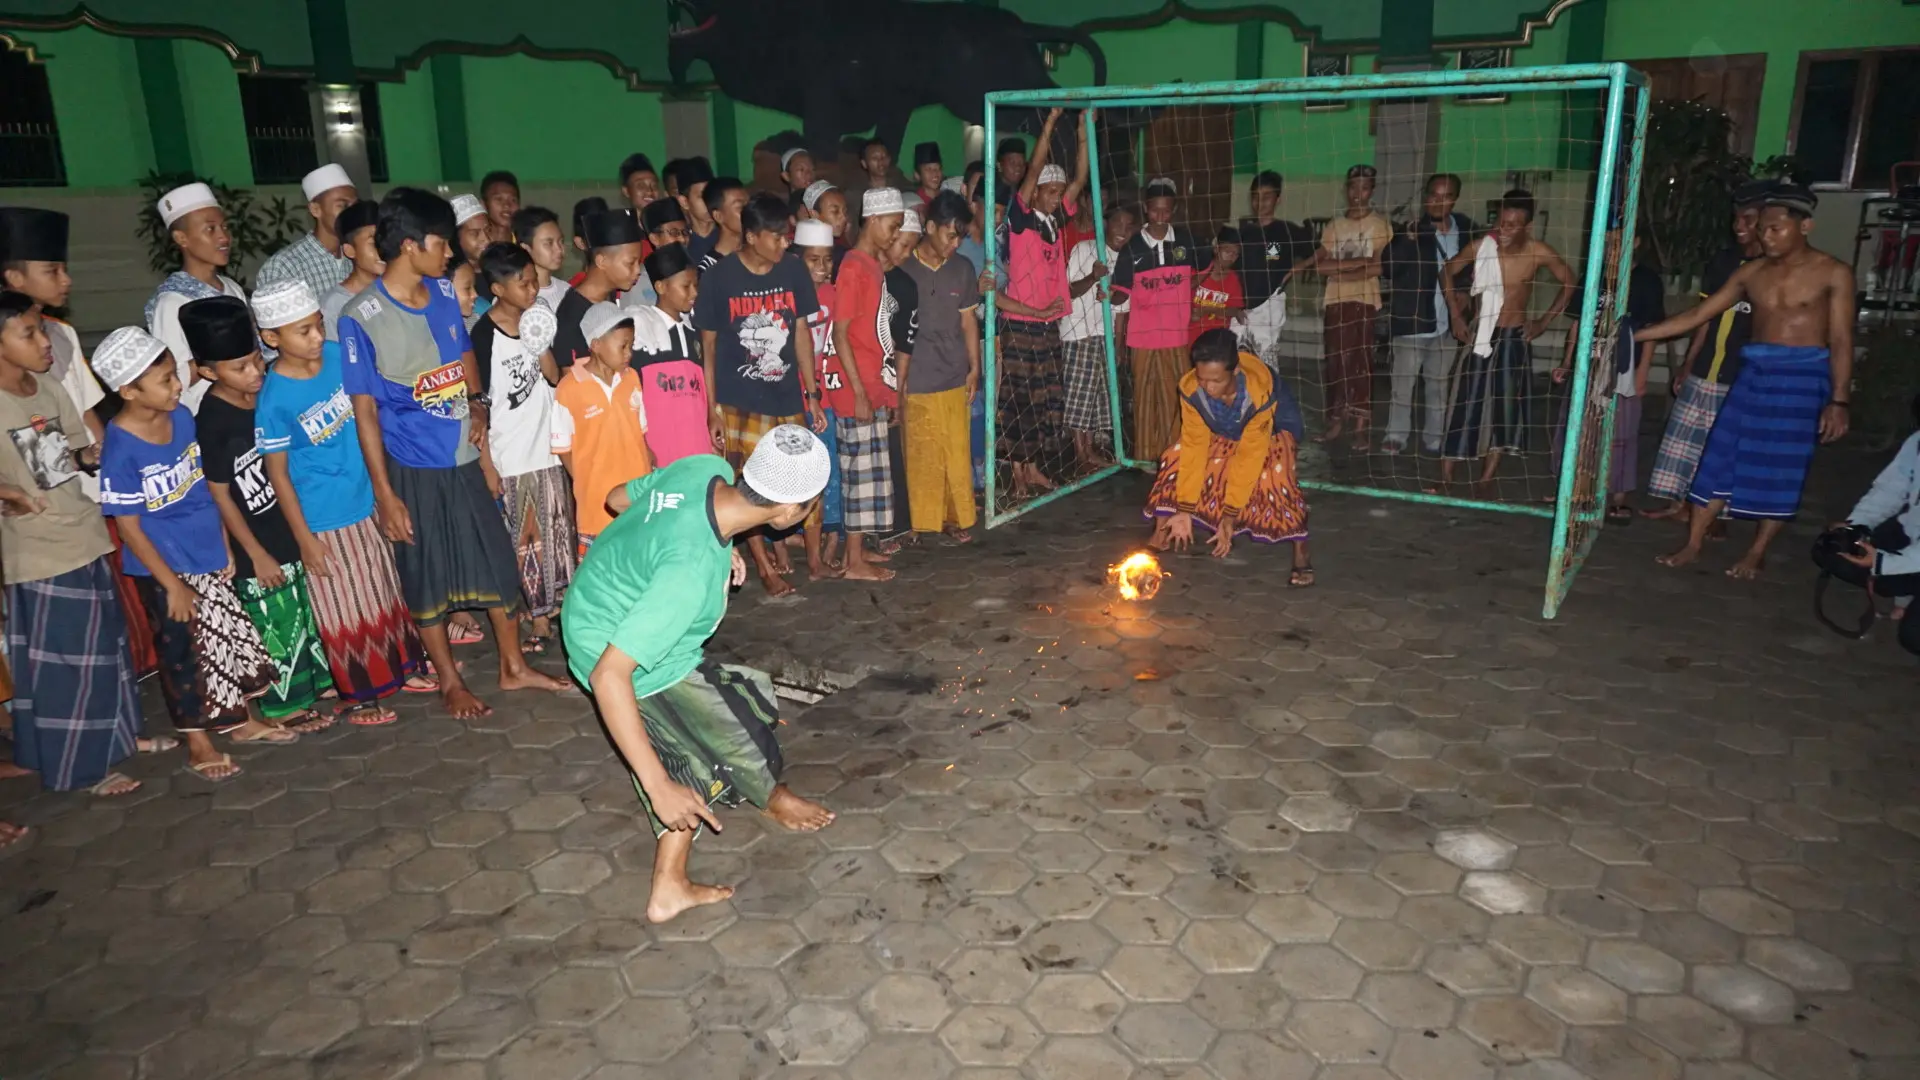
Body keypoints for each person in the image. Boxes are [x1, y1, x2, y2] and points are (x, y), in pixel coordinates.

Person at [561, 427, 836, 923]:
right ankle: (676, 871)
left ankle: (693, 861)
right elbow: (609, 677)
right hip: (611, 645)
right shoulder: (685, 576)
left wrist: (713, 543)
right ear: (789, 513)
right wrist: (655, 784)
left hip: (597, 594)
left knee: (723, 730)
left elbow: (618, 499)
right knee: (690, 761)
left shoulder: (704, 469)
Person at [338, 188, 569, 719]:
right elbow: (365, 411)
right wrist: (385, 493)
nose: (450, 255)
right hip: (412, 465)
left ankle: (513, 667)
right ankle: (448, 681)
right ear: (412, 245)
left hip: (463, 454)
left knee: (497, 556)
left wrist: (477, 402)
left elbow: (464, 354)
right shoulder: (362, 316)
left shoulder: (442, 296)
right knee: (425, 571)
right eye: (442, 243)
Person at [94, 324, 291, 782]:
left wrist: (222, 541)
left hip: (206, 551)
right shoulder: (121, 449)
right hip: (165, 568)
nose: (178, 385)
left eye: (173, 375)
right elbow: (130, 527)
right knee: (184, 655)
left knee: (231, 638)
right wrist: (171, 586)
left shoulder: (181, 417)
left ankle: (243, 721)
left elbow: (202, 486)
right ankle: (197, 740)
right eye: (164, 380)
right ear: (128, 390)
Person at [1640, 184, 1854, 579]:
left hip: (1803, 378)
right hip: (1754, 374)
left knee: (1781, 468)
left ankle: (1757, 551)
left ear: (1805, 226)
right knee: (1718, 456)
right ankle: (1693, 543)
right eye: (1764, 230)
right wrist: (1633, 336)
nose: (1766, 236)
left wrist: (1839, 400)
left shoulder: (1833, 272)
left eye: (1776, 229)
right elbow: (1698, 314)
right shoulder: (1751, 273)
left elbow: (1842, 339)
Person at [254, 279, 427, 727]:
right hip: (324, 517)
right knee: (345, 607)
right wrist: (304, 540)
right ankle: (359, 696)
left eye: (316, 326)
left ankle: (401, 671)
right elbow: (278, 476)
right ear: (271, 338)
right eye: (302, 332)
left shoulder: (335, 357)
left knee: (382, 589)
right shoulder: (274, 399)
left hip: (365, 497)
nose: (316, 338)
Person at [0, 293, 144, 797]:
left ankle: (115, 739)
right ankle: (81, 770)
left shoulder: (46, 388)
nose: (45, 342)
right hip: (40, 553)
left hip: (81, 533)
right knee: (65, 668)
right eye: (30, 333)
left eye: (42, 330)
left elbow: (60, 457)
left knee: (105, 652)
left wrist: (91, 455)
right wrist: (8, 492)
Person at [186, 296, 337, 734]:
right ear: (208, 371)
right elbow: (221, 495)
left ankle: (315, 688)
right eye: (240, 368)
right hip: (255, 541)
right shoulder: (211, 421)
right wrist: (254, 554)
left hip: (286, 523)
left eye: (257, 361)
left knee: (301, 614)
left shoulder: (267, 396)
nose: (255, 374)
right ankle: (281, 707)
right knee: (274, 624)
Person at [696, 193, 829, 594]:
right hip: (739, 401)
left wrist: (812, 393)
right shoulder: (719, 277)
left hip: (787, 395)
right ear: (751, 237)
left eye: (785, 236)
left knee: (803, 476)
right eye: (776, 237)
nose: (784, 244)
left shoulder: (792, 271)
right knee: (747, 486)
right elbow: (710, 345)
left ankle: (816, 561)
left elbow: (802, 332)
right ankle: (765, 570)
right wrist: (712, 408)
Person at [1644, 180, 1772, 519]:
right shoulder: (1724, 262)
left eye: (1748, 219)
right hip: (1708, 364)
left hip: (1742, 372)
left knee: (1727, 447)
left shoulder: (1775, 269)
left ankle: (1715, 514)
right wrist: (1689, 361)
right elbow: (1703, 317)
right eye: (1737, 219)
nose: (1739, 227)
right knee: (1687, 440)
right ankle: (1680, 504)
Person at [1144, 328, 1313, 584]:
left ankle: (1302, 551)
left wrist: (1229, 516)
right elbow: (1194, 446)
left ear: (1235, 371)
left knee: (1274, 472)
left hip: (1274, 427)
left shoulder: (1259, 393)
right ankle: (1164, 530)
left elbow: (1249, 456)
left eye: (1216, 381)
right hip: (1225, 427)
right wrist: (1185, 508)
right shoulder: (1192, 390)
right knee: (1175, 455)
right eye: (1203, 379)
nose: (1208, 387)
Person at [1438, 189, 1573, 495]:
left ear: (1527, 226)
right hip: (1480, 332)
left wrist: (1543, 321)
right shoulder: (1482, 247)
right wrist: (1456, 316)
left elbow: (1570, 281)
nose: (1505, 229)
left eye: (1514, 224)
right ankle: (1446, 475)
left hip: (1514, 336)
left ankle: (1486, 478)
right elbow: (1445, 271)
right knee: (1464, 400)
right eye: (1502, 221)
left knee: (1505, 406)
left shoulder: (1538, 251)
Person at [473, 243, 573, 648]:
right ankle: (538, 616)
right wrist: (487, 465)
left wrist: (539, 341)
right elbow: (479, 404)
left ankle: (560, 605)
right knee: (526, 540)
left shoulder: (539, 319)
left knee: (558, 530)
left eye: (534, 280)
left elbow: (552, 378)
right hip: (510, 454)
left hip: (547, 448)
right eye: (523, 283)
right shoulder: (483, 336)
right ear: (497, 288)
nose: (533, 289)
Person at [996, 109, 1090, 497]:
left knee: (1041, 399)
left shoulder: (1054, 222)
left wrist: (1084, 133)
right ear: (1034, 193)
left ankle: (1032, 468)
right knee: (1017, 399)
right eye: (1050, 192)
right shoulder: (1022, 219)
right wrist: (1049, 124)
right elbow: (1034, 169)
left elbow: (1080, 179)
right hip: (1020, 323)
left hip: (1046, 324)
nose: (1056, 197)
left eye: (1058, 193)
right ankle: (1016, 473)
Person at [830, 189, 906, 583]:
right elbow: (840, 333)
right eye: (892, 226)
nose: (895, 235)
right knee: (858, 477)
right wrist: (859, 390)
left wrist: (884, 389)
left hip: (871, 382)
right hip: (854, 388)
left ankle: (856, 555)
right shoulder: (853, 268)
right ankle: (852, 560)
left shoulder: (870, 265)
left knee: (871, 475)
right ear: (872, 220)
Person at [899, 190, 981, 543]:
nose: (956, 242)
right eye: (951, 234)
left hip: (953, 373)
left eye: (961, 235)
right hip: (916, 375)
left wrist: (974, 368)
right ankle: (917, 520)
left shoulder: (962, 268)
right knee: (919, 452)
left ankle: (950, 518)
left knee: (953, 451)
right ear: (929, 227)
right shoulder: (903, 268)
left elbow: (968, 323)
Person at [1814, 395, 1920, 658]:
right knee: (1832, 551)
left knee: (1914, 637)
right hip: (1911, 535)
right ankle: (1907, 590)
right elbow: (1890, 490)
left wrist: (1882, 563)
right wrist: (1857, 527)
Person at [1112, 175, 1204, 464]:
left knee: (1177, 395)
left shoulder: (1188, 241)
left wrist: (1186, 293)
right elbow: (1120, 293)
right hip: (1142, 337)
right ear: (1145, 208)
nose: (1160, 216)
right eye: (1155, 210)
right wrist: (1106, 294)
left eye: (1166, 210)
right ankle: (1145, 457)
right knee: (1145, 397)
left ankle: (1175, 456)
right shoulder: (1133, 248)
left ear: (1174, 209)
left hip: (1177, 334)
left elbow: (1204, 269)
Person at [1381, 173, 1474, 456]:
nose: (1437, 201)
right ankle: (1396, 435)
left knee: (1438, 386)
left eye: (1445, 196)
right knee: (1402, 386)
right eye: (1433, 195)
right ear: (1425, 197)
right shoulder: (1410, 229)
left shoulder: (1467, 230)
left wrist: (1467, 293)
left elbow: (1474, 267)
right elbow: (1389, 269)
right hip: (1412, 322)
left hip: (1447, 324)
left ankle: (1435, 439)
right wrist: (1406, 241)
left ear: (1454, 199)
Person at [553, 301, 653, 555]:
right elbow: (563, 447)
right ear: (596, 345)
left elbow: (641, 433)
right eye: (623, 346)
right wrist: (588, 480)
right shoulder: (569, 388)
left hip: (635, 493)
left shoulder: (631, 379)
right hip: (597, 502)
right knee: (602, 569)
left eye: (631, 345)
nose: (629, 352)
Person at [145, 183, 249, 412]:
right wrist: (219, 353)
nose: (223, 237)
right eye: (210, 229)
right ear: (181, 238)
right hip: (205, 416)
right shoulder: (172, 302)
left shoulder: (232, 288)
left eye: (224, 227)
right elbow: (172, 378)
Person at [1311, 164, 1393, 447]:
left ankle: (1361, 425)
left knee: (1361, 363)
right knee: (1335, 362)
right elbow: (1322, 265)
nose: (1358, 193)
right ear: (1346, 189)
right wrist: (1359, 264)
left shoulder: (1379, 225)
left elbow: (1379, 265)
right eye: (1353, 187)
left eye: (1365, 187)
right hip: (1336, 300)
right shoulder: (1335, 226)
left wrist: (1342, 269)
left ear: (1372, 190)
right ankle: (1335, 420)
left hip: (1364, 301)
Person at [1060, 203, 1135, 469]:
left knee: (1094, 396)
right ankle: (1082, 452)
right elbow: (1068, 292)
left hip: (1104, 335)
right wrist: (1094, 276)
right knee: (1079, 395)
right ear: (1106, 225)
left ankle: (1088, 449)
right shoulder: (1085, 249)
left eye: (1129, 227)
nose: (1122, 232)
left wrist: (1118, 346)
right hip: (1079, 332)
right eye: (1117, 225)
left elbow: (1121, 310)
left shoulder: (1127, 260)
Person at [632, 243, 715, 467]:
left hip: (695, 442)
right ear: (660, 287)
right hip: (659, 446)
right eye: (686, 286)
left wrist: (712, 416)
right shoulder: (640, 329)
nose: (694, 293)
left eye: (695, 285)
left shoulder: (694, 331)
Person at [796, 220, 847, 565]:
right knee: (800, 471)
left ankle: (832, 537)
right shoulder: (790, 296)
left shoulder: (834, 295)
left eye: (827, 259)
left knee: (830, 470)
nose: (822, 267)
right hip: (796, 398)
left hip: (827, 397)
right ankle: (795, 536)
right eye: (813, 260)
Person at [552, 210, 646, 370]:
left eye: (639, 262)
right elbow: (573, 383)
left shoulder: (608, 295)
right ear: (602, 261)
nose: (638, 270)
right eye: (630, 263)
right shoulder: (572, 318)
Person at [1238, 171, 1314, 369]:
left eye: (1267, 197)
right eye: (1255, 197)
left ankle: (1269, 398)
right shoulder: (1245, 232)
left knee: (1265, 362)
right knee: (1239, 360)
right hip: (1242, 306)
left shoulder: (1287, 231)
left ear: (1278, 199)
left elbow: (1320, 251)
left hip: (1269, 305)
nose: (1260, 202)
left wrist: (1297, 268)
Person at [257, 163, 356, 303]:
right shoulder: (285, 266)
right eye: (342, 205)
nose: (352, 213)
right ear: (315, 209)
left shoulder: (356, 257)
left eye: (354, 205)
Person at [320, 200, 382, 341]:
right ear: (350, 250)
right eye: (374, 243)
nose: (383, 249)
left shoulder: (400, 291)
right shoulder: (334, 304)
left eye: (385, 240)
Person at [512, 206, 573, 312]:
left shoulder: (567, 291)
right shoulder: (512, 297)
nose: (559, 249)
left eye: (561, 241)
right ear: (526, 248)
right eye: (549, 243)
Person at [1191, 226, 1245, 341]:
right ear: (1216, 249)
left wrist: (1207, 310)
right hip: (1190, 337)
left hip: (1217, 341)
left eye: (1235, 254)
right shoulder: (1197, 273)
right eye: (1227, 251)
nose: (1231, 257)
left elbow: (1234, 310)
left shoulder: (1233, 280)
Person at [695, 177, 748, 274]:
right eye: (740, 207)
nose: (749, 211)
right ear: (718, 216)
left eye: (748, 205)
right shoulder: (709, 269)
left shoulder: (757, 253)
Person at [674, 158, 719, 266]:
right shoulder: (681, 243)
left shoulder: (729, 235)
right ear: (684, 202)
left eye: (711, 193)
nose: (709, 201)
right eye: (702, 196)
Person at [480, 170, 520, 244]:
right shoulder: (475, 247)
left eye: (513, 200)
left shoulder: (525, 247)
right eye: (499, 199)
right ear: (483, 205)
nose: (507, 205)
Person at [911, 142, 944, 212]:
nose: (935, 173)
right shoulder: (915, 203)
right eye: (929, 169)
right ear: (917, 175)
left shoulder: (947, 198)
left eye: (938, 168)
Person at [995, 137, 1027, 207]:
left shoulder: (1021, 189)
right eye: (1012, 162)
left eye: (1022, 163)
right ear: (999, 165)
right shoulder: (993, 193)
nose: (1018, 167)